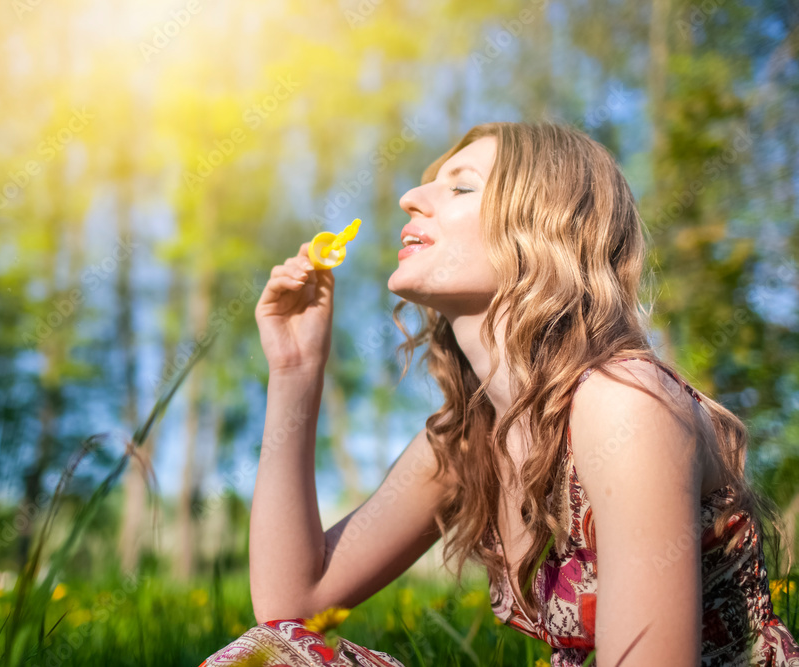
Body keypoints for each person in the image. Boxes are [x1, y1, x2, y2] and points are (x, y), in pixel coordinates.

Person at [200, 121, 799, 666]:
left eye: (460, 188)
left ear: (545, 229)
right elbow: (289, 608)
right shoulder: (469, 441)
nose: (411, 197)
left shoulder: (626, 402)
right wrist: (296, 369)